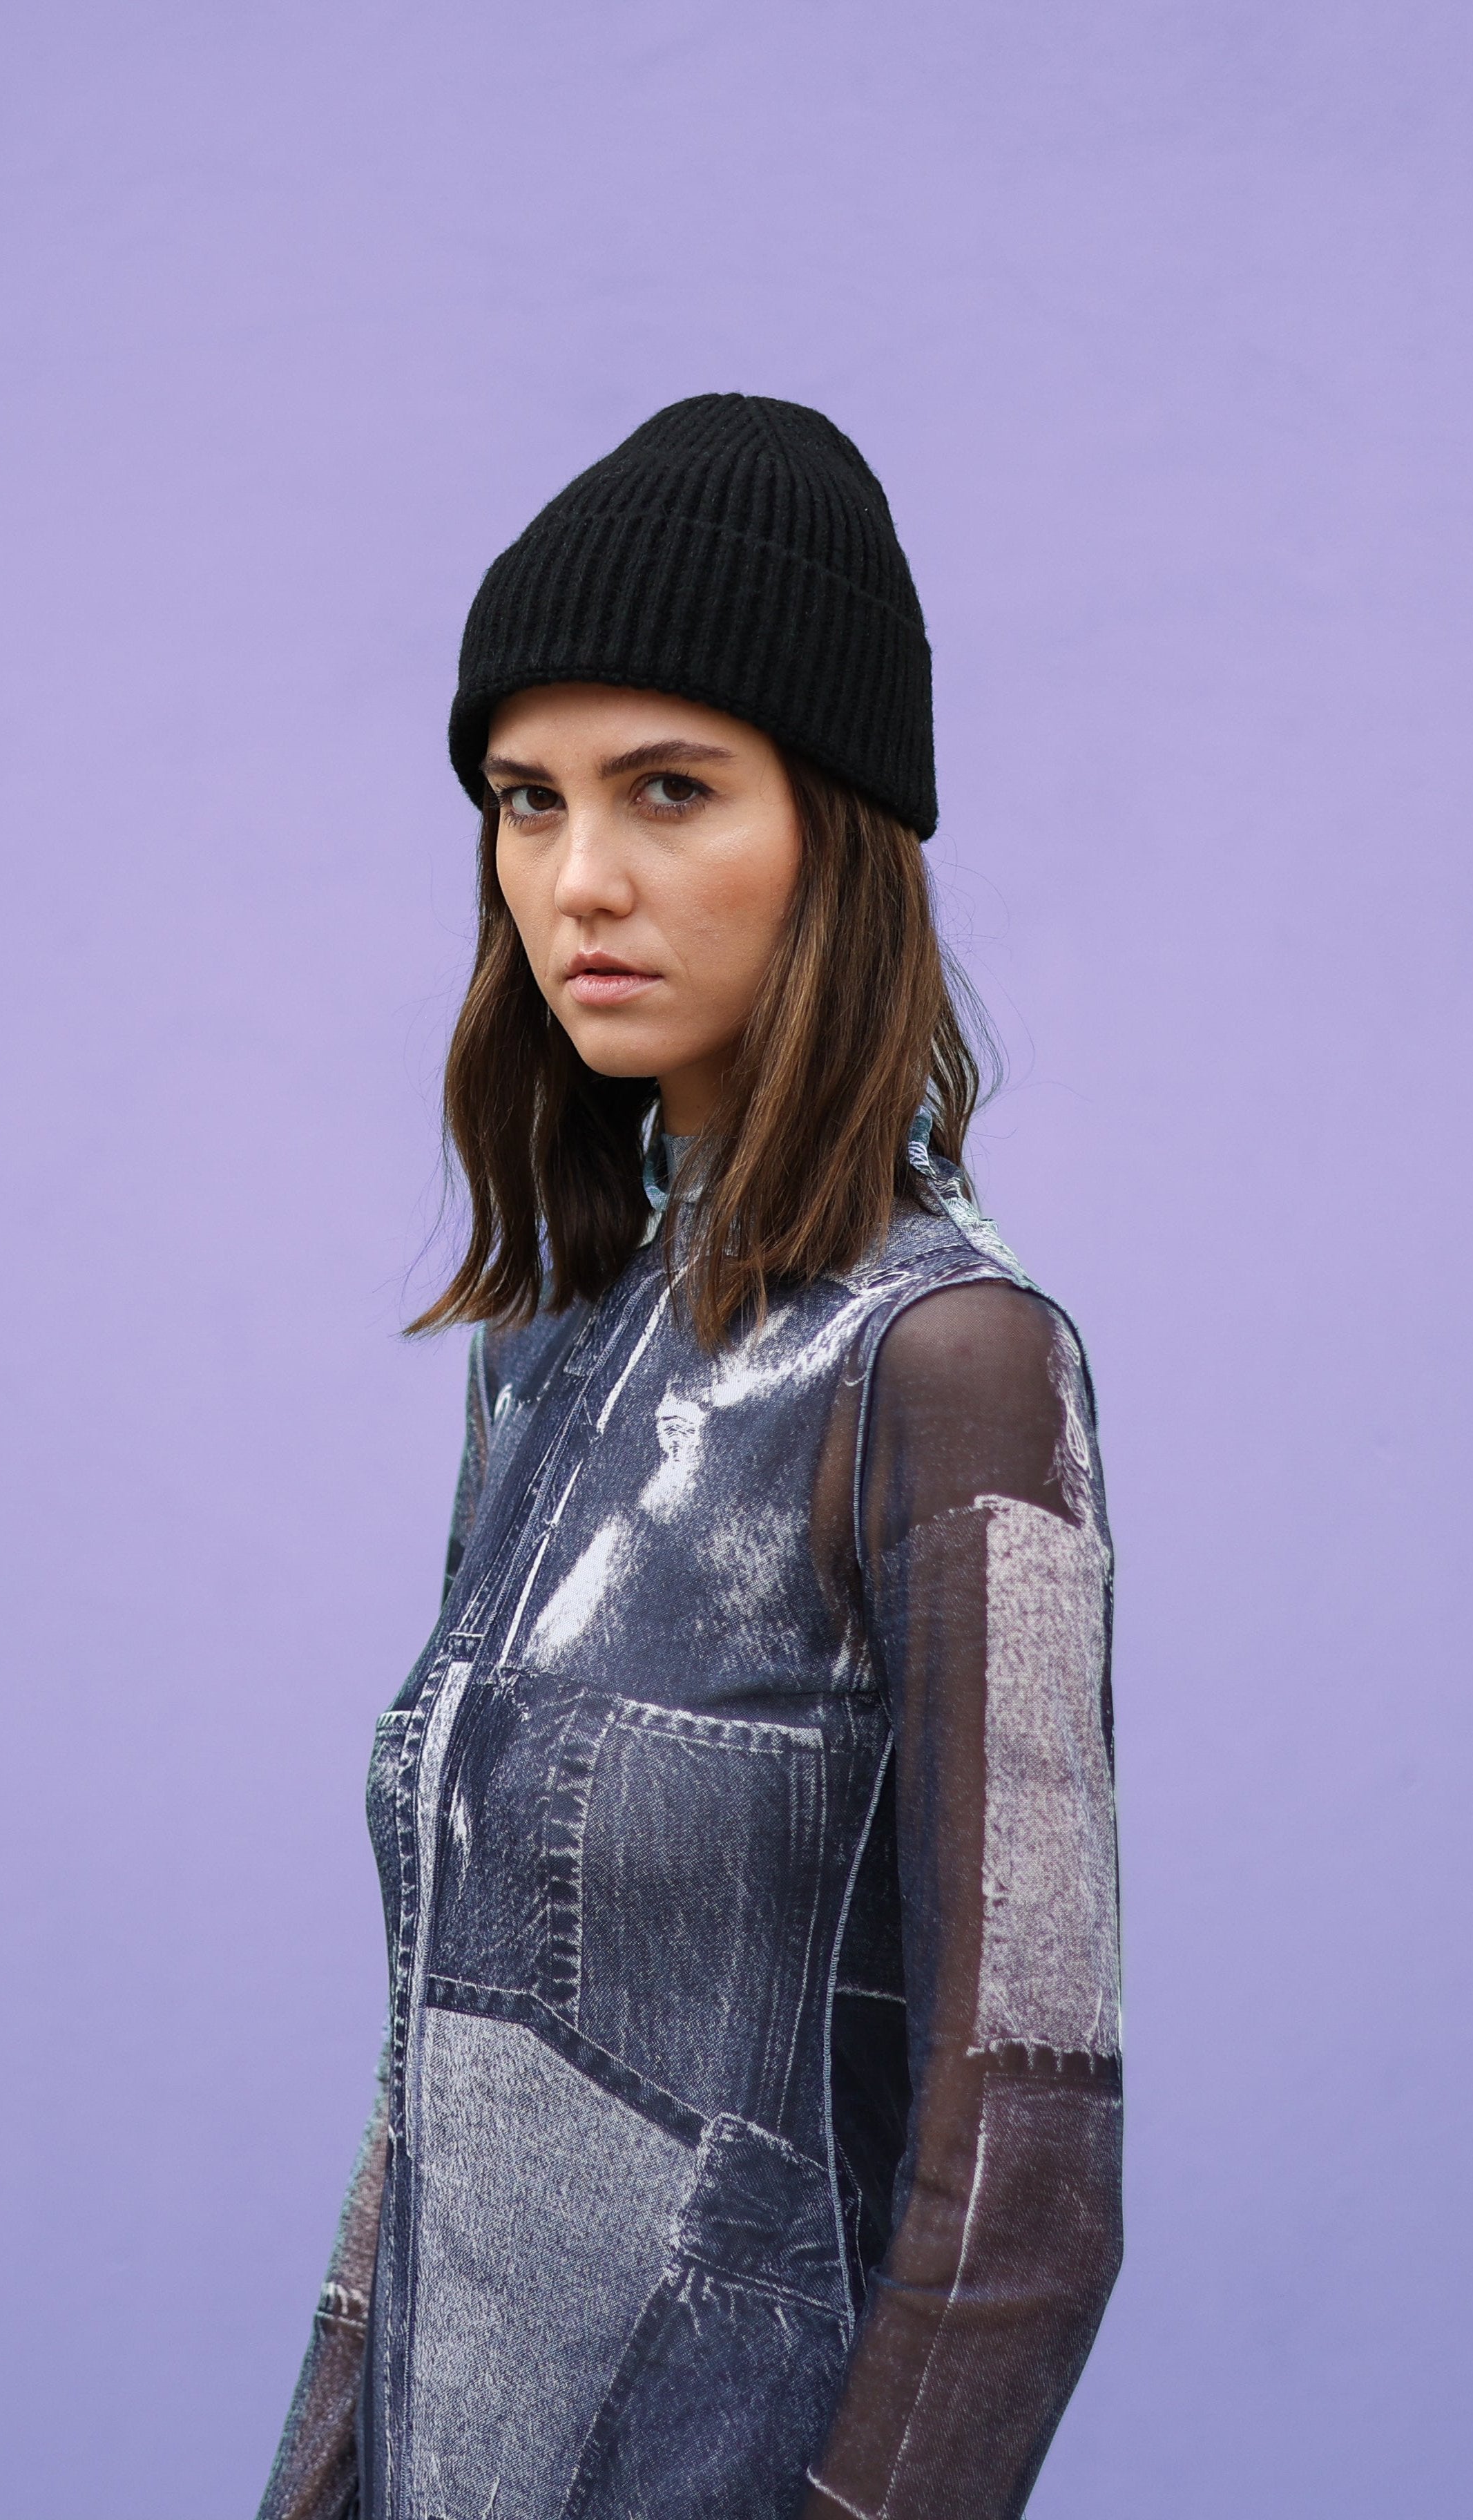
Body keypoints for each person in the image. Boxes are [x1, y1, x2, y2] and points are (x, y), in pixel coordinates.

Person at [257, 395, 1121, 2520]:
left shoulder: (958, 1366)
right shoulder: (544, 1354)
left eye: (669, 789)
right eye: (525, 800)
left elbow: (1027, 2172)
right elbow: (426, 2093)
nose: (581, 881)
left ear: (837, 826)